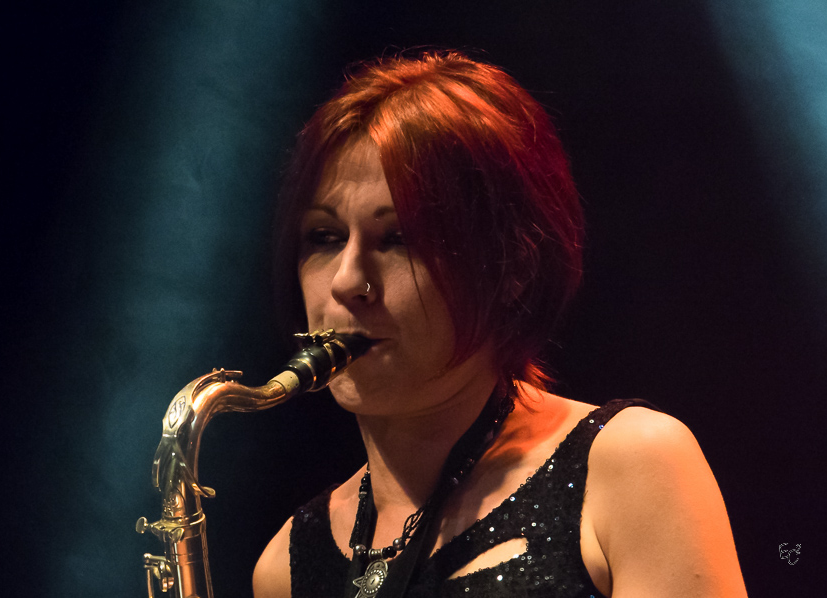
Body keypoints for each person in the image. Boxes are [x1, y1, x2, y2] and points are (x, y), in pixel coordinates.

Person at [253, 51, 747, 598]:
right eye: (324, 237)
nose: (348, 282)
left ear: (512, 267)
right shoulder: (286, 565)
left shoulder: (634, 466)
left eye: (399, 239)